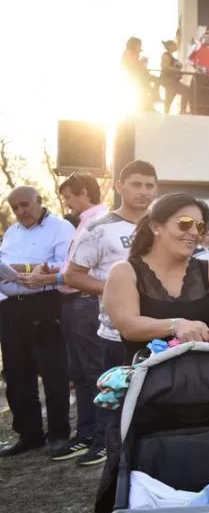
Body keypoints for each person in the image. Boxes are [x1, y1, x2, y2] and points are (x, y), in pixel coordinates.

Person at [59, 160, 159, 466]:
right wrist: (116, 291)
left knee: (153, 396)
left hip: (158, 328)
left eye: (150, 186)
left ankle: (149, 448)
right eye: (136, 184)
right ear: (119, 186)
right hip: (115, 331)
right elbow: (73, 275)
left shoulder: (161, 224)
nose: (144, 192)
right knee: (112, 390)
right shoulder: (98, 227)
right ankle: (106, 444)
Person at [103, 193, 209, 365]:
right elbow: (128, 326)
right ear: (156, 227)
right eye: (185, 223)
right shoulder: (125, 272)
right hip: (147, 382)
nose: (194, 232)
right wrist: (175, 325)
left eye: (200, 227)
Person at [0, 187, 75, 457]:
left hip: (45, 304)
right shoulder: (11, 232)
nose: (21, 211)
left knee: (53, 371)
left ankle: (58, 433)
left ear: (39, 201)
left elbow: (67, 266)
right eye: (15, 207)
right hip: (10, 307)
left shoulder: (61, 228)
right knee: (17, 374)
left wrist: (26, 269)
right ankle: (29, 434)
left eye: (25, 205)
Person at [54, 173, 108, 464]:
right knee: (80, 373)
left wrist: (50, 277)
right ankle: (86, 433)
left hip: (87, 301)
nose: (68, 204)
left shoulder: (97, 222)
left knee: (93, 373)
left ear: (84, 192)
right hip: (74, 301)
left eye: (69, 197)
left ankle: (101, 437)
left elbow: (84, 270)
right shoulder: (85, 221)